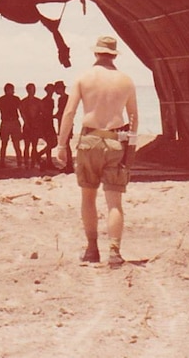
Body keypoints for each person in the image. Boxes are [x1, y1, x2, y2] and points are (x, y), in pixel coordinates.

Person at [56, 36, 138, 268]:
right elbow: (133, 118)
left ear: (96, 54)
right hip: (115, 142)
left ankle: (92, 249)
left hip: (89, 140)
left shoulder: (83, 78)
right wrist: (130, 149)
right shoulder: (126, 81)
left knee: (88, 197)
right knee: (114, 202)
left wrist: (61, 145)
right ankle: (114, 251)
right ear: (114, 55)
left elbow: (69, 113)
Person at [0, 83, 23, 167]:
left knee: (16, 144)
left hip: (14, 122)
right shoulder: (0, 100)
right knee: (4, 144)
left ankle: (19, 162)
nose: (13, 91)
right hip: (6, 123)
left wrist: (25, 122)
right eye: (12, 89)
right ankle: (2, 162)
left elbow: (21, 111)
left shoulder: (16, 99)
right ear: (7, 90)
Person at [20, 83, 43, 168]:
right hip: (27, 126)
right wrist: (26, 123)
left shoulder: (38, 101)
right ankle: (26, 163)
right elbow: (22, 114)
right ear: (27, 90)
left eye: (33, 89)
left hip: (35, 126)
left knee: (34, 146)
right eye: (30, 89)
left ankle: (33, 163)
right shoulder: (24, 101)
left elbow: (42, 113)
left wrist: (39, 124)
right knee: (26, 145)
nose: (32, 91)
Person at [36, 83, 58, 171]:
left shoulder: (51, 100)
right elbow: (42, 113)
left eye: (52, 89)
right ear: (47, 90)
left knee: (52, 143)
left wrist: (52, 116)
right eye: (50, 89)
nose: (52, 91)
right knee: (51, 143)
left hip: (50, 123)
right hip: (45, 124)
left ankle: (48, 161)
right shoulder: (44, 100)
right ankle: (40, 155)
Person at [53, 80, 74, 173]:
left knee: (66, 144)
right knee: (66, 144)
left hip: (64, 123)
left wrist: (53, 116)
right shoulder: (66, 98)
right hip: (64, 122)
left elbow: (62, 112)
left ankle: (69, 165)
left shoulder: (63, 99)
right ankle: (68, 165)